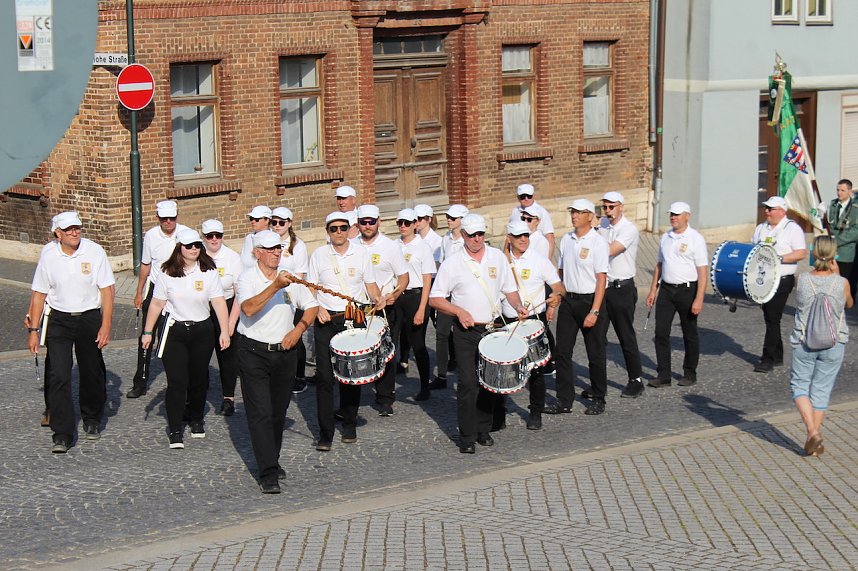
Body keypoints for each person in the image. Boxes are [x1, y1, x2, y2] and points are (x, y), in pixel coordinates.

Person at [429, 213, 528, 454]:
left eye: (480, 234)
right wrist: (458, 311)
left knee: (489, 382)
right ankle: (467, 435)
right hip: (465, 331)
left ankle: (483, 428)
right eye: (471, 235)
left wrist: (518, 306)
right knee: (467, 383)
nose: (476, 239)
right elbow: (435, 298)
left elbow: (509, 289)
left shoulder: (496, 258)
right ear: (463, 235)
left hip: (492, 328)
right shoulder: (453, 263)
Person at [234, 230, 319, 493]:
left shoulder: (289, 278)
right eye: (269, 249)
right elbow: (248, 308)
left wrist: (297, 331)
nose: (275, 253)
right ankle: (268, 472)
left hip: (285, 352)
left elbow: (312, 306)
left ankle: (272, 457)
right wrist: (275, 287)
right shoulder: (247, 278)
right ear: (257, 252)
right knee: (260, 412)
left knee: (278, 412)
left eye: (278, 249)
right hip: (253, 351)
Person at [27, 212, 115, 453]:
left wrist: (106, 325)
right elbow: (39, 294)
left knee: (91, 371)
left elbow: (107, 290)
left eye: (77, 228)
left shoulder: (94, 251)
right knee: (59, 375)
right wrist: (34, 330)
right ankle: (62, 432)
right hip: (59, 320)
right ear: (58, 233)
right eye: (69, 230)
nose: (75, 233)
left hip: (88, 317)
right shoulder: (48, 255)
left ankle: (92, 418)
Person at [140, 229, 230, 449]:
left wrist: (225, 331)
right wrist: (148, 332)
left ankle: (196, 418)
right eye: (189, 246)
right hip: (175, 332)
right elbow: (156, 304)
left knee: (198, 379)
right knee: (177, 381)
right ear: (179, 248)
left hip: (202, 330)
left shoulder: (208, 271)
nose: (193, 250)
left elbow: (218, 301)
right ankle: (175, 427)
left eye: (197, 246)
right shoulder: (167, 272)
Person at [307, 212, 385, 450]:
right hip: (326, 320)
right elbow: (310, 288)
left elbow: (370, 285)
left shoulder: (361, 254)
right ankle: (325, 433)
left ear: (350, 229)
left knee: (351, 376)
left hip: (354, 319)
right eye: (333, 229)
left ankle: (349, 424)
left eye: (342, 228)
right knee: (324, 378)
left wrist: (378, 298)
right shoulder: (319, 255)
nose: (338, 232)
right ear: (327, 231)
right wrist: (318, 307)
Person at [545, 199, 610, 416]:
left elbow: (601, 279)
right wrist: (555, 299)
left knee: (595, 352)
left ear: (590, 216)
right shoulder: (567, 240)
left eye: (579, 212)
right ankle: (565, 400)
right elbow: (561, 273)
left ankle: (599, 397)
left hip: (590, 301)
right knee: (562, 352)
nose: (574, 216)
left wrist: (595, 310)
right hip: (569, 300)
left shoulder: (598, 242)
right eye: (572, 212)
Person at [789, 235, 852, 457]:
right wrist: (838, 276)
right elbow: (849, 303)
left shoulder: (803, 280)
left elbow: (800, 303)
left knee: (799, 386)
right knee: (821, 390)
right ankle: (813, 438)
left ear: (814, 253)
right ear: (834, 255)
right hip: (834, 342)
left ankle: (812, 432)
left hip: (804, 341)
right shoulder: (841, 282)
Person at [500, 220, 564, 429]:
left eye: (526, 235)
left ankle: (536, 412)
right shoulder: (500, 260)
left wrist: (556, 297)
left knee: (536, 369)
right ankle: (499, 413)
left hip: (534, 320)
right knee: (506, 370)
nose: (523, 240)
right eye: (518, 236)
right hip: (508, 320)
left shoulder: (538, 260)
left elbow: (558, 285)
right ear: (509, 238)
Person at [128, 200, 190, 398]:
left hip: (178, 287)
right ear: (158, 219)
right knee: (147, 334)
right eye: (165, 219)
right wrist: (139, 291)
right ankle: (141, 379)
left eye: (172, 218)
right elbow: (146, 265)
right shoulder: (151, 236)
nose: (169, 222)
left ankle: (183, 378)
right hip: (156, 289)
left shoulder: (185, 234)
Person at [646, 202, 708, 387]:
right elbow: (659, 264)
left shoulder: (695, 239)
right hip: (666, 289)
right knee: (661, 332)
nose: (673, 217)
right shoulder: (666, 237)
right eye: (671, 214)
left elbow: (702, 271)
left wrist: (699, 298)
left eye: (677, 214)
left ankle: (690, 372)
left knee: (689, 332)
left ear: (687, 216)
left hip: (687, 290)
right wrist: (652, 290)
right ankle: (663, 374)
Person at [356, 204, 409, 415]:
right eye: (363, 222)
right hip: (360, 307)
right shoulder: (351, 245)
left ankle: (385, 397)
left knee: (386, 352)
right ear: (358, 224)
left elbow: (404, 278)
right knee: (359, 351)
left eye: (371, 222)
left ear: (378, 222)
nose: (367, 226)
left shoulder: (390, 246)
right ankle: (353, 396)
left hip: (386, 306)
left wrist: (393, 296)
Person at [597, 191, 645, 397]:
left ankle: (636, 379)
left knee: (625, 335)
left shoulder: (629, 229)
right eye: (605, 207)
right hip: (604, 288)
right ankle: (598, 383)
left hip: (622, 288)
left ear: (621, 206)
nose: (607, 211)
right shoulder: (602, 224)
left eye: (611, 207)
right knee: (597, 337)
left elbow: (609, 250)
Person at [753, 196, 807, 373]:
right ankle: (777, 355)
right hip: (764, 279)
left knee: (773, 317)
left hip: (782, 279)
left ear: (782, 211)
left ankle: (767, 358)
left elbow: (800, 253)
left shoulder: (792, 228)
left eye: (771, 209)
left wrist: (778, 259)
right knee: (769, 316)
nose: (767, 211)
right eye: (766, 208)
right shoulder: (761, 228)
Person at [202, 219, 243, 415]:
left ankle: (228, 397)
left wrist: (231, 322)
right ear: (204, 237)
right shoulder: (197, 254)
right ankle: (197, 394)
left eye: (218, 235)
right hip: (202, 308)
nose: (214, 239)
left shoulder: (232, 258)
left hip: (226, 306)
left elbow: (238, 293)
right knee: (200, 355)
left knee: (227, 354)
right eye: (210, 236)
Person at [396, 208, 436, 400]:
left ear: (414, 224)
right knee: (393, 340)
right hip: (397, 297)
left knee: (418, 343)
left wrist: (422, 308)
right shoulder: (395, 245)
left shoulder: (423, 247)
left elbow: (427, 279)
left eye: (407, 223)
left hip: (416, 296)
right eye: (400, 223)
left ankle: (424, 385)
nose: (403, 226)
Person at [270, 206, 311, 394]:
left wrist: (293, 296)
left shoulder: (298, 246)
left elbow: (300, 275)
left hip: (293, 295)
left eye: (281, 222)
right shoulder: (268, 241)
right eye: (274, 222)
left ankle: (299, 376)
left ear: (289, 224)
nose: (277, 226)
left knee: (296, 336)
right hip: (273, 293)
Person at [428, 204, 469, 390]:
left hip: (463, 294)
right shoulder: (445, 239)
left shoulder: (467, 241)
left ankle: (466, 373)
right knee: (442, 334)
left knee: (464, 335)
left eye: (453, 218)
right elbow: (443, 265)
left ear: (463, 220)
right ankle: (442, 376)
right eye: (448, 217)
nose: (449, 220)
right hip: (446, 294)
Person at [826, 179, 858, 297]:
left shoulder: (855, 208)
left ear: (850, 191)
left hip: (847, 252)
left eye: (842, 190)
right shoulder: (834, 204)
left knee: (846, 281)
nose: (839, 193)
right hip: (833, 251)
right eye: (838, 190)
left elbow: (855, 231)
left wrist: (836, 241)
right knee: (832, 282)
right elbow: (830, 226)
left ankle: (847, 303)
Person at [508, 183, 555, 260]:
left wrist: (548, 261)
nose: (526, 199)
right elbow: (509, 235)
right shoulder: (515, 211)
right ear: (518, 198)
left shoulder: (541, 212)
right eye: (523, 197)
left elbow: (550, 238)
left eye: (529, 196)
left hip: (536, 249)